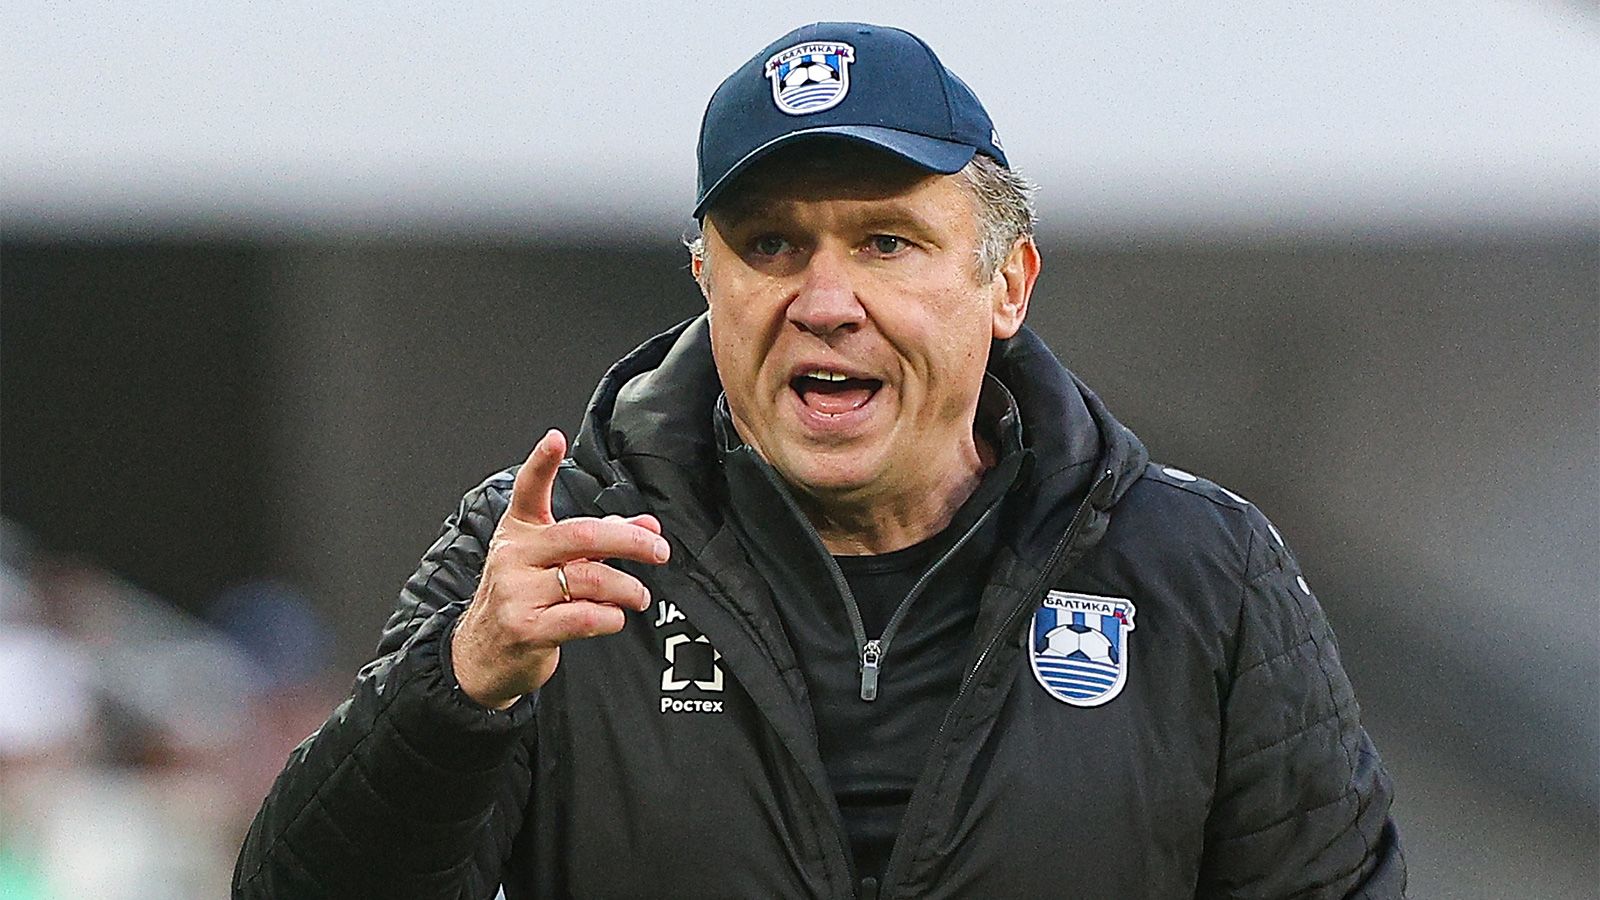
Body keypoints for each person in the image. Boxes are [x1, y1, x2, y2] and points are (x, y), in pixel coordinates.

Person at [234, 21, 1404, 899]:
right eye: (770, 245)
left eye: (885, 242)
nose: (824, 300)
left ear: (1005, 284)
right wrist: (456, 692)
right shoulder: (547, 559)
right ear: (707, 280)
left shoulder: (1199, 573)